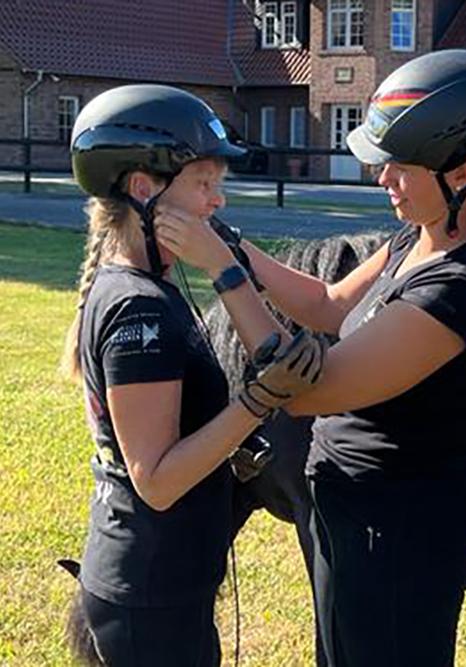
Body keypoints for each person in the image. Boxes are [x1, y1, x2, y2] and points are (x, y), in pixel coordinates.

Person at [154, 49, 466, 666]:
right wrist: (238, 246)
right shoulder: (414, 240)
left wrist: (224, 273)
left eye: (399, 168)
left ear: (462, 173)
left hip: (397, 532)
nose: (382, 180)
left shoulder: (463, 286)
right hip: (354, 511)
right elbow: (329, 305)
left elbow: (310, 389)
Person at [62, 84, 325, 666]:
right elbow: (155, 479)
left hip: (162, 585)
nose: (217, 202)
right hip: (150, 593)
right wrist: (255, 404)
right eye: (204, 183)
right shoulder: (139, 308)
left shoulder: (147, 287)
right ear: (143, 189)